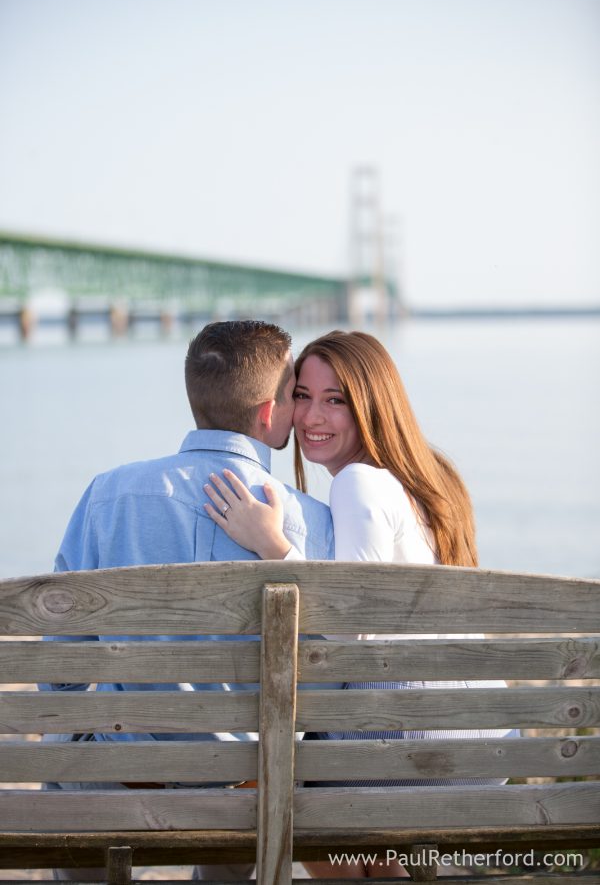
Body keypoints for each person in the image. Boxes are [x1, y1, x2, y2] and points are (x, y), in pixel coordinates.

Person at [204, 329, 518, 879]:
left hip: (420, 741)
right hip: (476, 734)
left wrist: (272, 545)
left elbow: (352, 633)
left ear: (372, 405)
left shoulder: (358, 484)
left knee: (275, 771)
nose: (311, 417)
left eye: (336, 400)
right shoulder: (424, 481)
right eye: (302, 396)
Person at [39, 319, 334, 882]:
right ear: (269, 414)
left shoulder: (109, 493)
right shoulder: (310, 523)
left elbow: (61, 647)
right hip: (246, 783)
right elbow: (325, 670)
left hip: (120, 771)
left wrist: (67, 740)